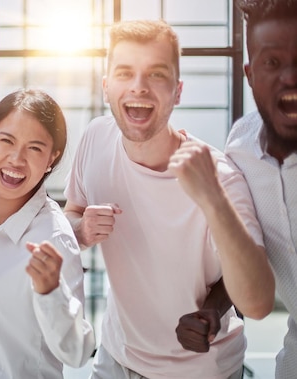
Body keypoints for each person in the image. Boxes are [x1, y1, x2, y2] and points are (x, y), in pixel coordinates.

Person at [63, 19, 275, 379]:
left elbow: (256, 301)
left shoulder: (219, 176)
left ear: (177, 92)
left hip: (203, 372)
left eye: (156, 74)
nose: (139, 87)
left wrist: (214, 309)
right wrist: (81, 231)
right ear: (106, 87)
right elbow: (70, 214)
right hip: (115, 360)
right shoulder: (95, 139)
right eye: (125, 73)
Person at [0, 89, 95, 379]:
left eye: (34, 148)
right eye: (6, 141)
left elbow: (77, 353)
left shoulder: (54, 237)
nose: (16, 159)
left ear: (51, 159)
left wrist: (51, 292)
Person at [224, 1, 297, 377]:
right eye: (272, 63)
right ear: (249, 74)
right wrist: (211, 307)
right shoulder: (239, 147)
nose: (290, 77)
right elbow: (242, 241)